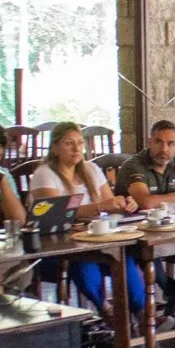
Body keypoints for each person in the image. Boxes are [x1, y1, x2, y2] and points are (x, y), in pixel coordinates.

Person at [29, 122, 147, 316]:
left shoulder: (90, 169)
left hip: (93, 238)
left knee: (123, 258)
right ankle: (106, 311)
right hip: (56, 245)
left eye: (80, 143)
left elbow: (110, 203)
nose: (76, 148)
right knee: (84, 264)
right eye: (69, 143)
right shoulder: (45, 174)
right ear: (55, 147)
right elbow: (56, 214)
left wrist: (125, 204)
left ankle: (143, 314)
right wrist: (100, 206)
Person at [119, 120, 175, 327]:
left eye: (170, 143)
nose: (164, 149)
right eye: (158, 142)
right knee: (152, 256)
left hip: (174, 230)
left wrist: (173, 197)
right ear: (150, 141)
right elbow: (145, 202)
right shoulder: (134, 165)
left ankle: (173, 309)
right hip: (137, 235)